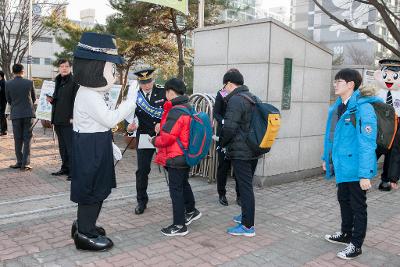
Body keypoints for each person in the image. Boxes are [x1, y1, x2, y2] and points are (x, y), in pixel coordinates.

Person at [70, 32, 137, 251]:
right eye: (112, 69)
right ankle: (84, 234)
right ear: (95, 69)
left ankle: (84, 224)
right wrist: (130, 101)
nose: (115, 75)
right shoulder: (88, 94)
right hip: (91, 147)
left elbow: (101, 123)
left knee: (96, 187)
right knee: (92, 190)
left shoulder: (90, 92)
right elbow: (109, 119)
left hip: (94, 143)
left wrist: (108, 145)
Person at [322, 68, 381, 260]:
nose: (335, 85)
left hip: (356, 168)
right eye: (335, 81)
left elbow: (367, 143)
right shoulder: (340, 106)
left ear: (350, 85)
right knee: (343, 201)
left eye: (338, 81)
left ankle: (356, 245)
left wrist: (365, 174)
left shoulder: (363, 108)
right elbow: (333, 138)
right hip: (342, 166)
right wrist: (327, 159)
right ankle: (346, 233)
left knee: (358, 206)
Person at [152, 78, 201, 236]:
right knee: (183, 184)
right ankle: (191, 210)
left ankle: (179, 225)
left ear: (169, 92)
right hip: (185, 154)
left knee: (176, 190)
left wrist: (154, 140)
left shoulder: (175, 110)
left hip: (175, 156)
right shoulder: (187, 106)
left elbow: (167, 138)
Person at [220, 69, 258, 237]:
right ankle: (245, 216)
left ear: (229, 83)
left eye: (224, 86)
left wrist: (221, 143)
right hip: (253, 149)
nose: (224, 90)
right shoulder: (252, 97)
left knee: (245, 187)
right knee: (246, 186)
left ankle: (248, 226)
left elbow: (229, 127)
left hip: (241, 151)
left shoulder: (235, 100)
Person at [126, 67, 166, 215]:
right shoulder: (135, 96)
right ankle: (141, 201)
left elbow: (172, 111)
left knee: (171, 167)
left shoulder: (163, 92)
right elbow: (128, 115)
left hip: (163, 136)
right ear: (139, 82)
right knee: (142, 171)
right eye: (143, 82)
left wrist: (162, 123)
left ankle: (180, 200)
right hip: (144, 137)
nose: (147, 85)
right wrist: (130, 128)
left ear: (153, 79)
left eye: (148, 81)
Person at [47, 59, 80, 181]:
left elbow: (76, 102)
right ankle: (65, 167)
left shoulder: (74, 82)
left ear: (70, 68)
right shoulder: (57, 81)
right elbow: (58, 99)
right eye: (62, 66)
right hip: (58, 119)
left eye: (66, 66)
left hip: (69, 120)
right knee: (62, 146)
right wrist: (52, 101)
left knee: (70, 146)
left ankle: (73, 171)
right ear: (59, 68)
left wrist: (73, 117)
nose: (64, 68)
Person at [374, 59, 400, 191]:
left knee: (391, 155)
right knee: (372, 152)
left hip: (395, 127)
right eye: (386, 75)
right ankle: (363, 177)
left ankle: (386, 180)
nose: (389, 79)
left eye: (394, 76)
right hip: (378, 127)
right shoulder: (376, 93)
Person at [214, 83, 240, 206]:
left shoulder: (241, 94)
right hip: (224, 134)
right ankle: (221, 193)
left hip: (238, 135)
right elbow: (216, 113)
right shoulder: (221, 94)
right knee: (223, 166)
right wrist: (224, 121)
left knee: (239, 167)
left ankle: (239, 195)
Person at [5, 64, 36, 171]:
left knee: (17, 138)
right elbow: (34, 98)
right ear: (23, 71)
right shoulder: (29, 82)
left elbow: (8, 99)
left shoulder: (8, 83)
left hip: (16, 114)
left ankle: (19, 161)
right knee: (27, 138)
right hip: (28, 113)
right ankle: (25, 163)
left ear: (13, 72)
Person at [0, 70, 7, 135]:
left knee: (2, 116)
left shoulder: (3, 83)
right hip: (2, 102)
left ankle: (3, 130)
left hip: (2, 102)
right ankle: (3, 130)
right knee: (2, 116)